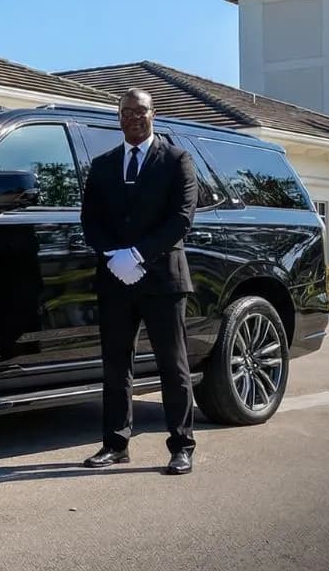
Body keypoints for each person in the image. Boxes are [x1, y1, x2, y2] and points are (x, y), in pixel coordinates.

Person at [79, 88, 200, 476]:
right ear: (118, 117)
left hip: (163, 278)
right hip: (116, 279)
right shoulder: (102, 165)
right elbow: (90, 220)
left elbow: (181, 219)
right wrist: (113, 256)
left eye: (141, 111)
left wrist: (137, 254)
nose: (134, 117)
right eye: (127, 111)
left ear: (154, 114)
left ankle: (181, 446)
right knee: (116, 366)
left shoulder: (177, 159)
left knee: (172, 364)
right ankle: (115, 444)